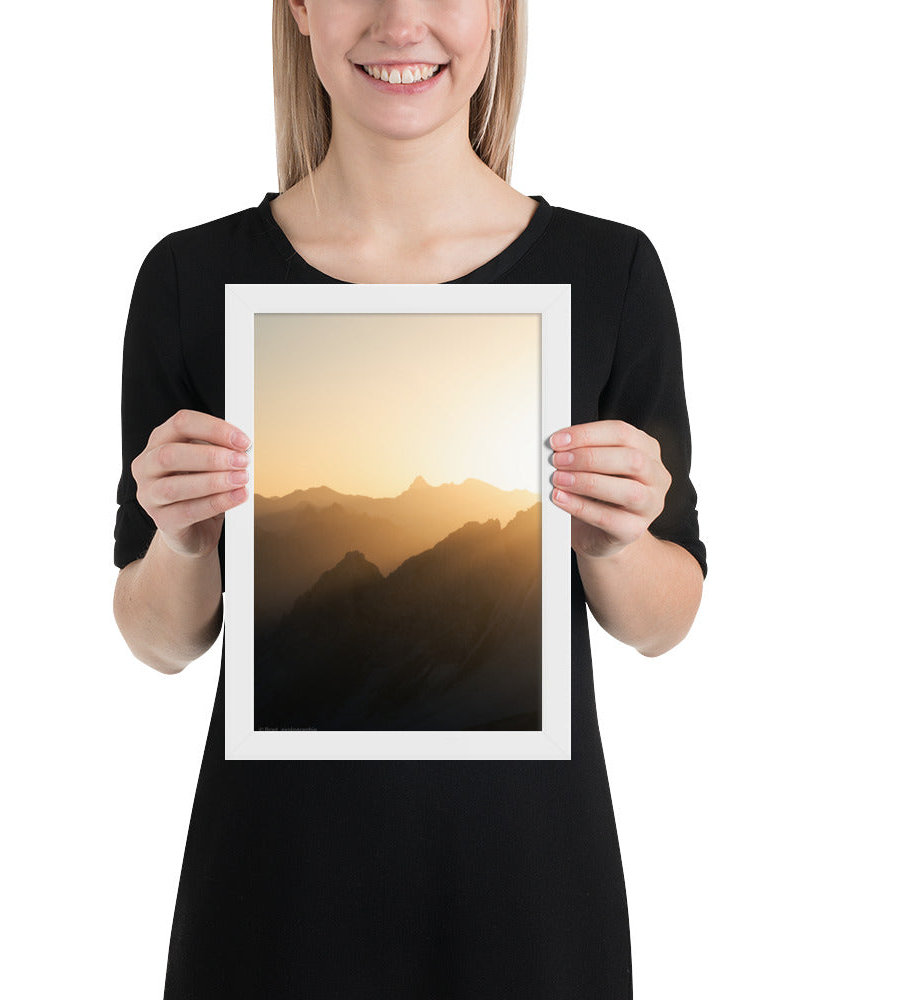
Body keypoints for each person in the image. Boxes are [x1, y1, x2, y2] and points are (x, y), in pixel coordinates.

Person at [113, 0, 707, 996]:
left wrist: (614, 541)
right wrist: (181, 541)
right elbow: (159, 638)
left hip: (528, 902)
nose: (401, 20)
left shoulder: (609, 275)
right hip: (273, 901)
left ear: (499, 14)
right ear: (299, 9)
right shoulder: (191, 279)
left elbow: (664, 620)